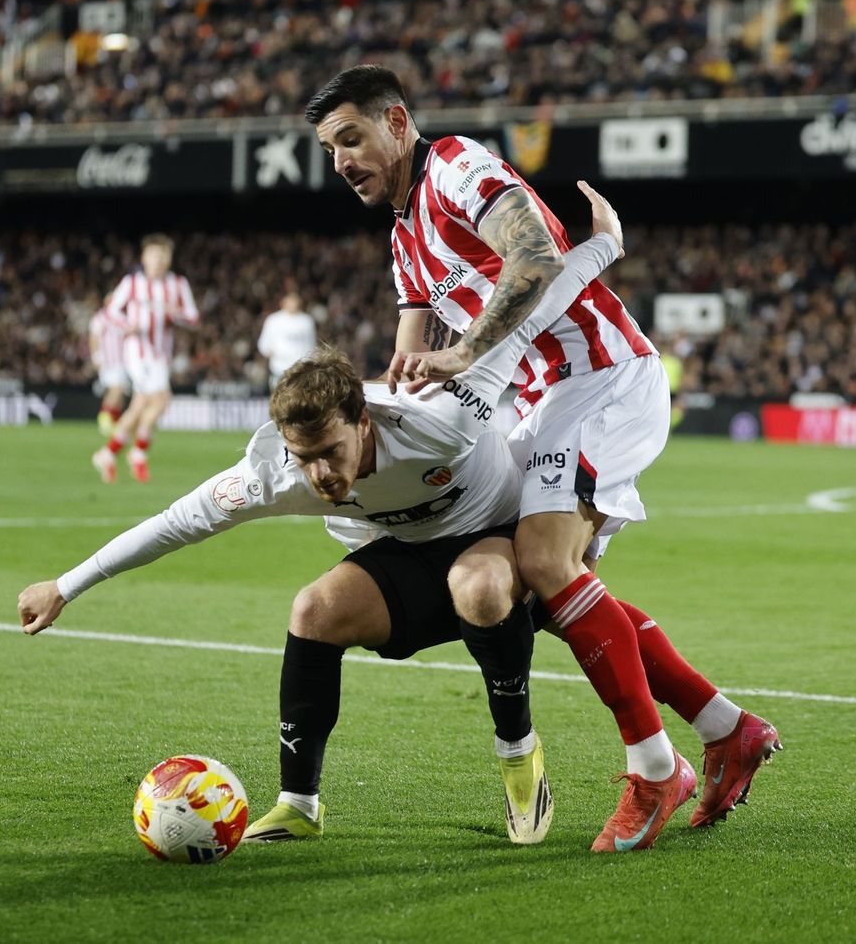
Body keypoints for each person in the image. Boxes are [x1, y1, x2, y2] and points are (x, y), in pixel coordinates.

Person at [306, 65, 780, 849]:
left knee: (542, 560)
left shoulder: (456, 166)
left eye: (351, 139)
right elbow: (406, 361)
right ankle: (726, 728)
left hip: (599, 377)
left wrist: (468, 352)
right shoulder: (403, 238)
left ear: (397, 121)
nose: (342, 161)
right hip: (542, 403)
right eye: (329, 150)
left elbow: (534, 256)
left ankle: (656, 770)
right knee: (545, 592)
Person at [92, 235, 199, 484]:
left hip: (161, 354)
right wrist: (126, 325)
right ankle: (138, 452)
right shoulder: (132, 283)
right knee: (161, 399)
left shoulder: (178, 284)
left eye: (163, 256)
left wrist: (177, 314)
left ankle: (108, 453)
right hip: (137, 352)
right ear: (144, 258)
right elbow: (110, 312)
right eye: (154, 255)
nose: (158, 260)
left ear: (169, 259)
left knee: (140, 406)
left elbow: (193, 318)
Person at [256, 291, 318, 392]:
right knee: (279, 401)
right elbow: (263, 344)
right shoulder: (273, 320)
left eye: (294, 300)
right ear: (283, 302)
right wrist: (271, 353)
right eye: (290, 300)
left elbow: (312, 345)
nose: (292, 303)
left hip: (301, 370)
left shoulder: (307, 321)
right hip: (279, 368)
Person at [89, 304, 129, 436]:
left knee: (120, 393)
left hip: (123, 361)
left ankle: (115, 420)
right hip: (109, 361)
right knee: (115, 389)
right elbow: (93, 337)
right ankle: (104, 417)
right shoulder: (100, 318)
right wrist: (96, 356)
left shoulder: (124, 317)